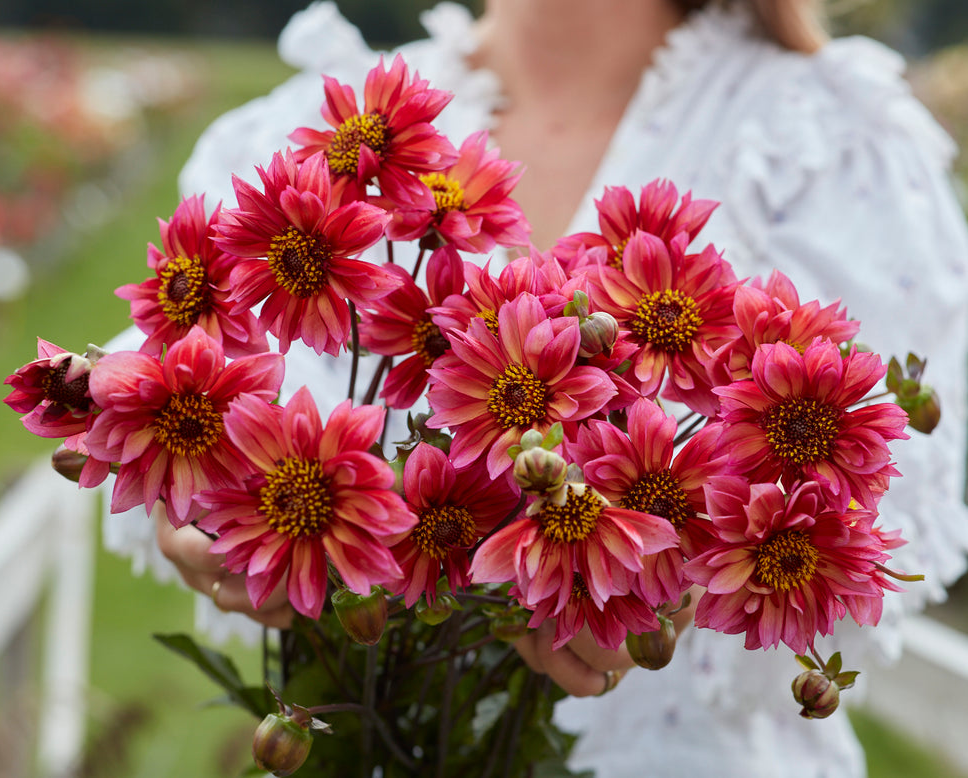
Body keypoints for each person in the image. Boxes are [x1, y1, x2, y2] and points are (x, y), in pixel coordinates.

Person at [102, 0, 968, 775]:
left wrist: (662, 581)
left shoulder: (837, 144)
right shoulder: (303, 130)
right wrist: (190, 501)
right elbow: (146, 380)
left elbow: (886, 533)